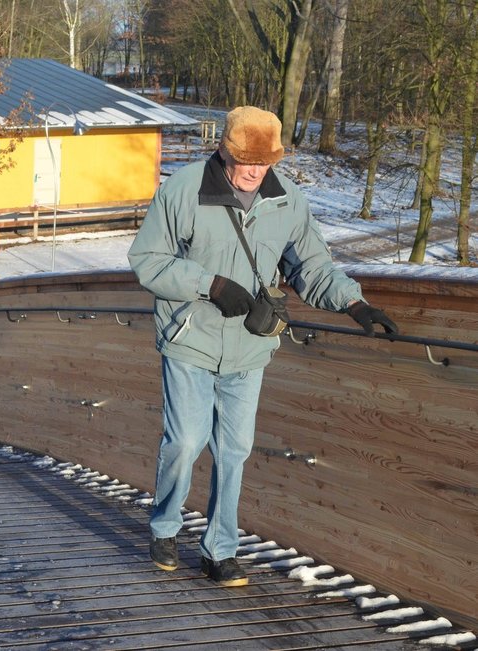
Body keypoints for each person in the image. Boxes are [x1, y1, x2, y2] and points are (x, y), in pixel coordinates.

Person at [127, 106, 398, 587]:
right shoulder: (184, 190)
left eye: (264, 162)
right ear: (226, 150)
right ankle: (165, 527)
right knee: (187, 441)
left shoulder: (287, 200)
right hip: (190, 339)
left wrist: (354, 304)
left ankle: (219, 551)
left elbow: (310, 267)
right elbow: (148, 261)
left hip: (250, 347)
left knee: (235, 450)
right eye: (245, 159)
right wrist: (208, 284)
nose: (254, 171)